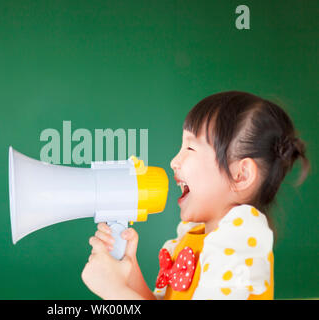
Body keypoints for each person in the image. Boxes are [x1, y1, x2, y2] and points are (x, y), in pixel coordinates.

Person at [81, 91, 310, 300]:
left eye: (190, 148)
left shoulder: (241, 239)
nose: (174, 161)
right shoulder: (193, 237)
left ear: (240, 174)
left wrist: (115, 292)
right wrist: (129, 274)